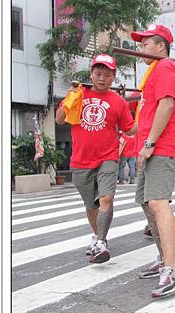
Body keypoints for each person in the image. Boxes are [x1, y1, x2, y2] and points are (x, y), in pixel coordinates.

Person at [55, 53, 134, 264]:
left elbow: (130, 128)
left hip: (108, 157)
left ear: (113, 77)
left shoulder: (118, 102)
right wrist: (70, 97)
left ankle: (99, 241)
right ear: (91, 73)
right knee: (91, 205)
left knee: (106, 198)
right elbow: (60, 119)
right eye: (98, 73)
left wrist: (152, 117)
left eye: (107, 75)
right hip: (81, 160)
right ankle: (100, 237)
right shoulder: (79, 94)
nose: (101, 78)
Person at [130, 24, 175, 298]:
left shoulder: (164, 66)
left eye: (145, 44)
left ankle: (172, 268)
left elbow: (166, 105)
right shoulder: (153, 72)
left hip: (163, 147)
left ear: (160, 46)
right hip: (151, 148)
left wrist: (150, 143)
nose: (142, 48)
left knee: (157, 203)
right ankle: (165, 257)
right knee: (146, 202)